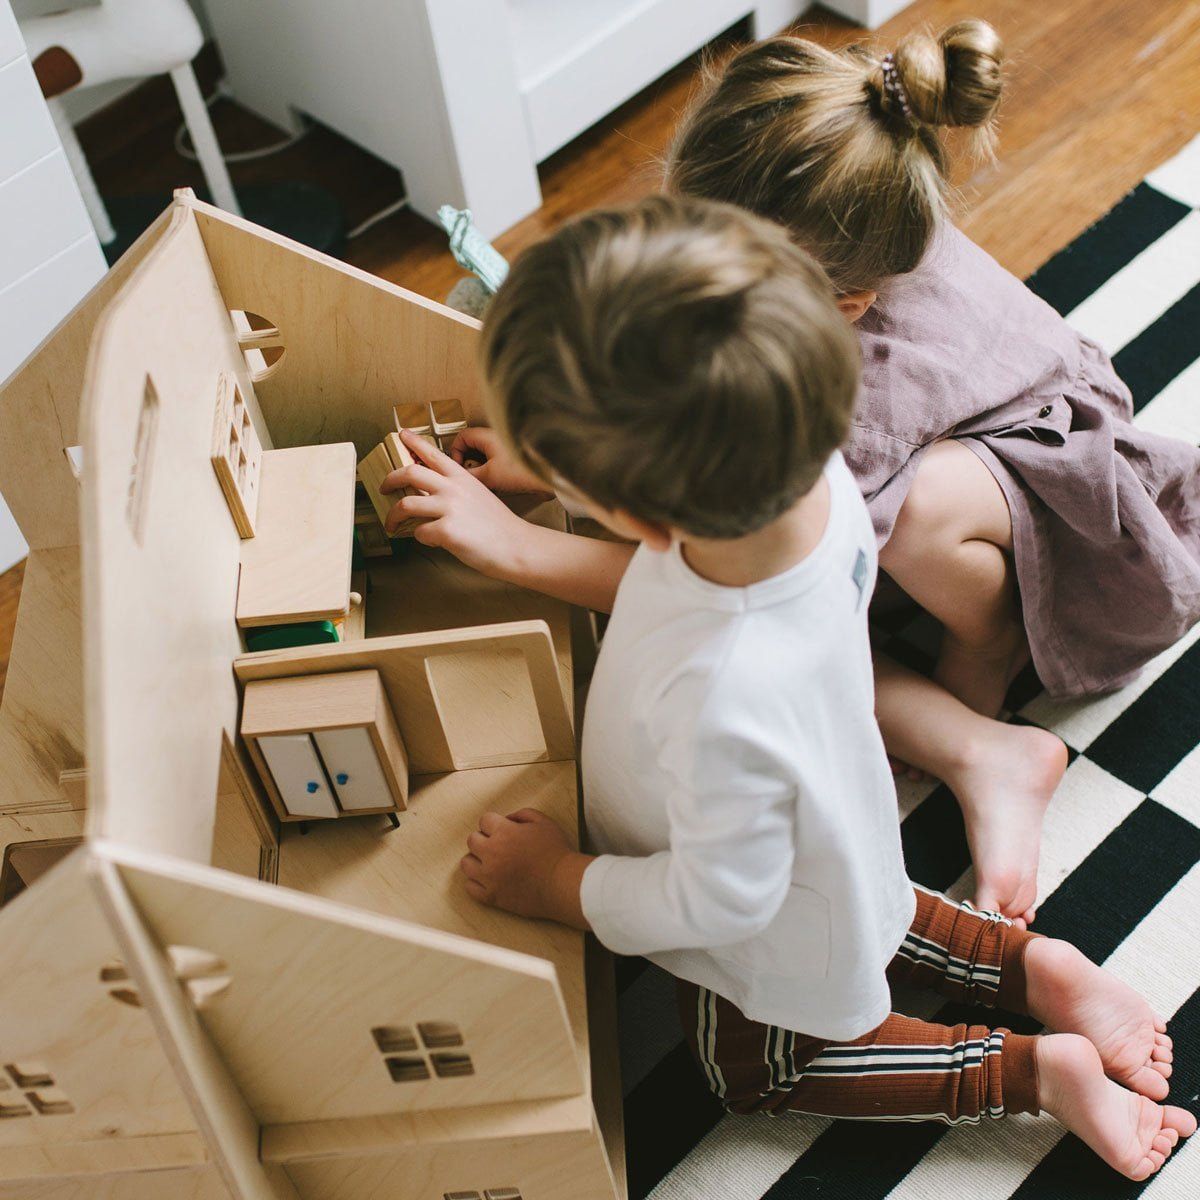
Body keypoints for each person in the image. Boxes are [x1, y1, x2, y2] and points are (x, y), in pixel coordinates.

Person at [379, 196, 1191, 1178]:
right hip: (829, 821)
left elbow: (714, 903)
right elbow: (669, 561)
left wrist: (561, 883)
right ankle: (1033, 966)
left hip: (746, 913)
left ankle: (1032, 1071)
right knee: (864, 906)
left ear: (629, 504)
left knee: (755, 1071)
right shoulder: (811, 488)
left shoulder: (721, 700)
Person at [663, 18, 1200, 720]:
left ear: (844, 305)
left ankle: (987, 637)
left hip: (1072, 501)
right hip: (985, 412)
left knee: (905, 520)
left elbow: (755, 558)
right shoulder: (850, 209)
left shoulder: (858, 404)